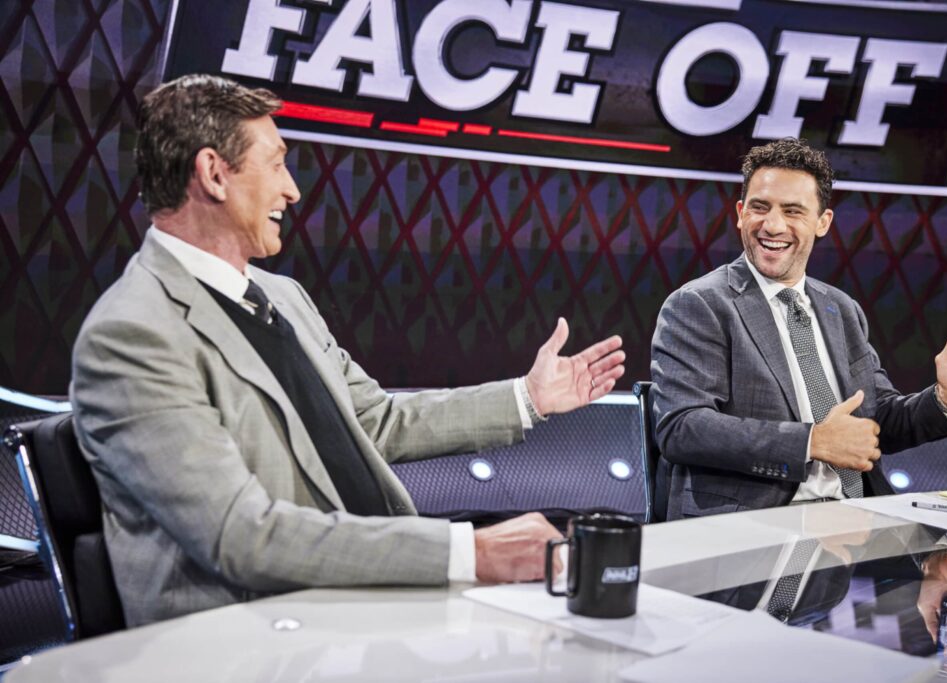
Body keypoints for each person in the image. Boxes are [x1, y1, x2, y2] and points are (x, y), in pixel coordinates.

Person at [70, 75, 626, 627]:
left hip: (370, 601)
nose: (292, 190)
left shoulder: (281, 296)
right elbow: (240, 535)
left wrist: (526, 398)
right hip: (259, 637)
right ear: (214, 174)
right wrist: (469, 554)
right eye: (276, 164)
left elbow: (374, 420)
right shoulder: (132, 335)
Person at [650, 138, 947, 520]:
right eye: (760, 207)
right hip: (752, 527)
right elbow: (683, 428)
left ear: (823, 222)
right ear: (741, 213)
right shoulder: (700, 304)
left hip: (853, 526)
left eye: (793, 211)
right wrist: (811, 442)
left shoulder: (840, 309)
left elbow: (878, 425)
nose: (772, 225)